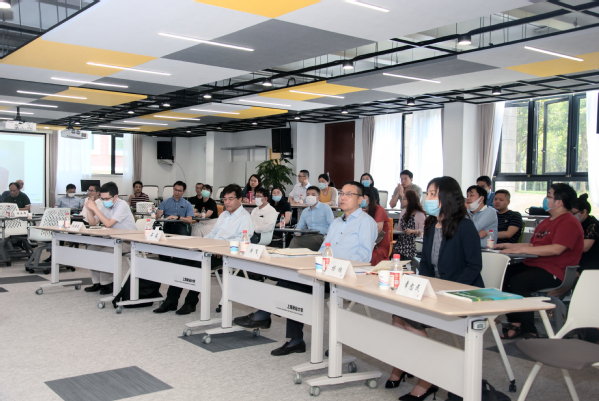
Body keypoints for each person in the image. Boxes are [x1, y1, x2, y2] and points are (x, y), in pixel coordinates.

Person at [234, 181, 377, 357]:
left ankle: (269, 319)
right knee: (291, 279)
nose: (343, 197)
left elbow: (364, 255)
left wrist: (337, 267)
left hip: (346, 276)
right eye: (342, 193)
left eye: (349, 194)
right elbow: (324, 247)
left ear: (361, 199)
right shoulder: (337, 222)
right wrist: (315, 262)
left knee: (294, 286)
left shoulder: (366, 222)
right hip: (324, 271)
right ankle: (289, 336)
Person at [386, 176, 483, 400]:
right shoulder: (431, 224)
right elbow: (427, 265)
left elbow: (474, 266)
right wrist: (422, 289)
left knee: (411, 319)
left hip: (462, 291)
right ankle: (401, 366)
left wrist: (446, 291)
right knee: (398, 313)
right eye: (428, 194)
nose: (427, 198)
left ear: (447, 197)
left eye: (433, 194)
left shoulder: (465, 226)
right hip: (436, 290)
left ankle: (426, 381)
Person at [497, 184, 584, 340]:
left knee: (519, 282)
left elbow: (556, 249)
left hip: (556, 270)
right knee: (502, 275)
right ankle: (515, 321)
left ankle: (530, 330)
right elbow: (533, 246)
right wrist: (507, 246)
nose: (545, 199)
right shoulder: (546, 222)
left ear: (559, 202)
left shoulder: (569, 222)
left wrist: (519, 251)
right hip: (535, 265)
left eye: (549, 196)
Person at [83, 182, 137, 295]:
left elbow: (108, 224)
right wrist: (88, 209)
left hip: (127, 241)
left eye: (107, 199)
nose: (104, 201)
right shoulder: (105, 206)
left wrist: (95, 208)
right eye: (102, 199)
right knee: (91, 249)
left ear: (115, 197)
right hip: (113, 240)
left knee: (105, 252)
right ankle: (97, 282)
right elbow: (92, 222)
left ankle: (108, 283)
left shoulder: (122, 205)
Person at [288, 186, 334, 251]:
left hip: (321, 237)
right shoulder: (305, 211)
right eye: (308, 194)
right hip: (308, 236)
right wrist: (298, 233)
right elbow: (300, 225)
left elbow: (332, 225)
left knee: (296, 241)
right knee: (298, 244)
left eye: (313, 195)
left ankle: (287, 255)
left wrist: (326, 237)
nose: (310, 196)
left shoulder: (325, 208)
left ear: (319, 197)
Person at [393, 189, 426, 261]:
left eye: (404, 199)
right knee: (394, 249)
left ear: (410, 200)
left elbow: (422, 231)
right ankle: (401, 265)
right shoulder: (403, 213)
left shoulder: (420, 214)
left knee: (404, 250)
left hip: (412, 241)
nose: (402, 200)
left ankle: (408, 265)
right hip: (402, 240)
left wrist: (412, 231)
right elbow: (399, 229)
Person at [362, 187, 391, 266]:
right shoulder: (359, 210)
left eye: (363, 198)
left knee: (371, 255)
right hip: (364, 243)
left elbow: (377, 229)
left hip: (378, 244)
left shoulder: (379, 209)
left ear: (370, 199)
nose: (361, 200)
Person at [571, 194, 599, 272]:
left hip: (590, 262)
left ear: (584, 212)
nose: (571, 216)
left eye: (573, 213)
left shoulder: (592, 225)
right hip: (578, 259)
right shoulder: (576, 224)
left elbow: (585, 247)